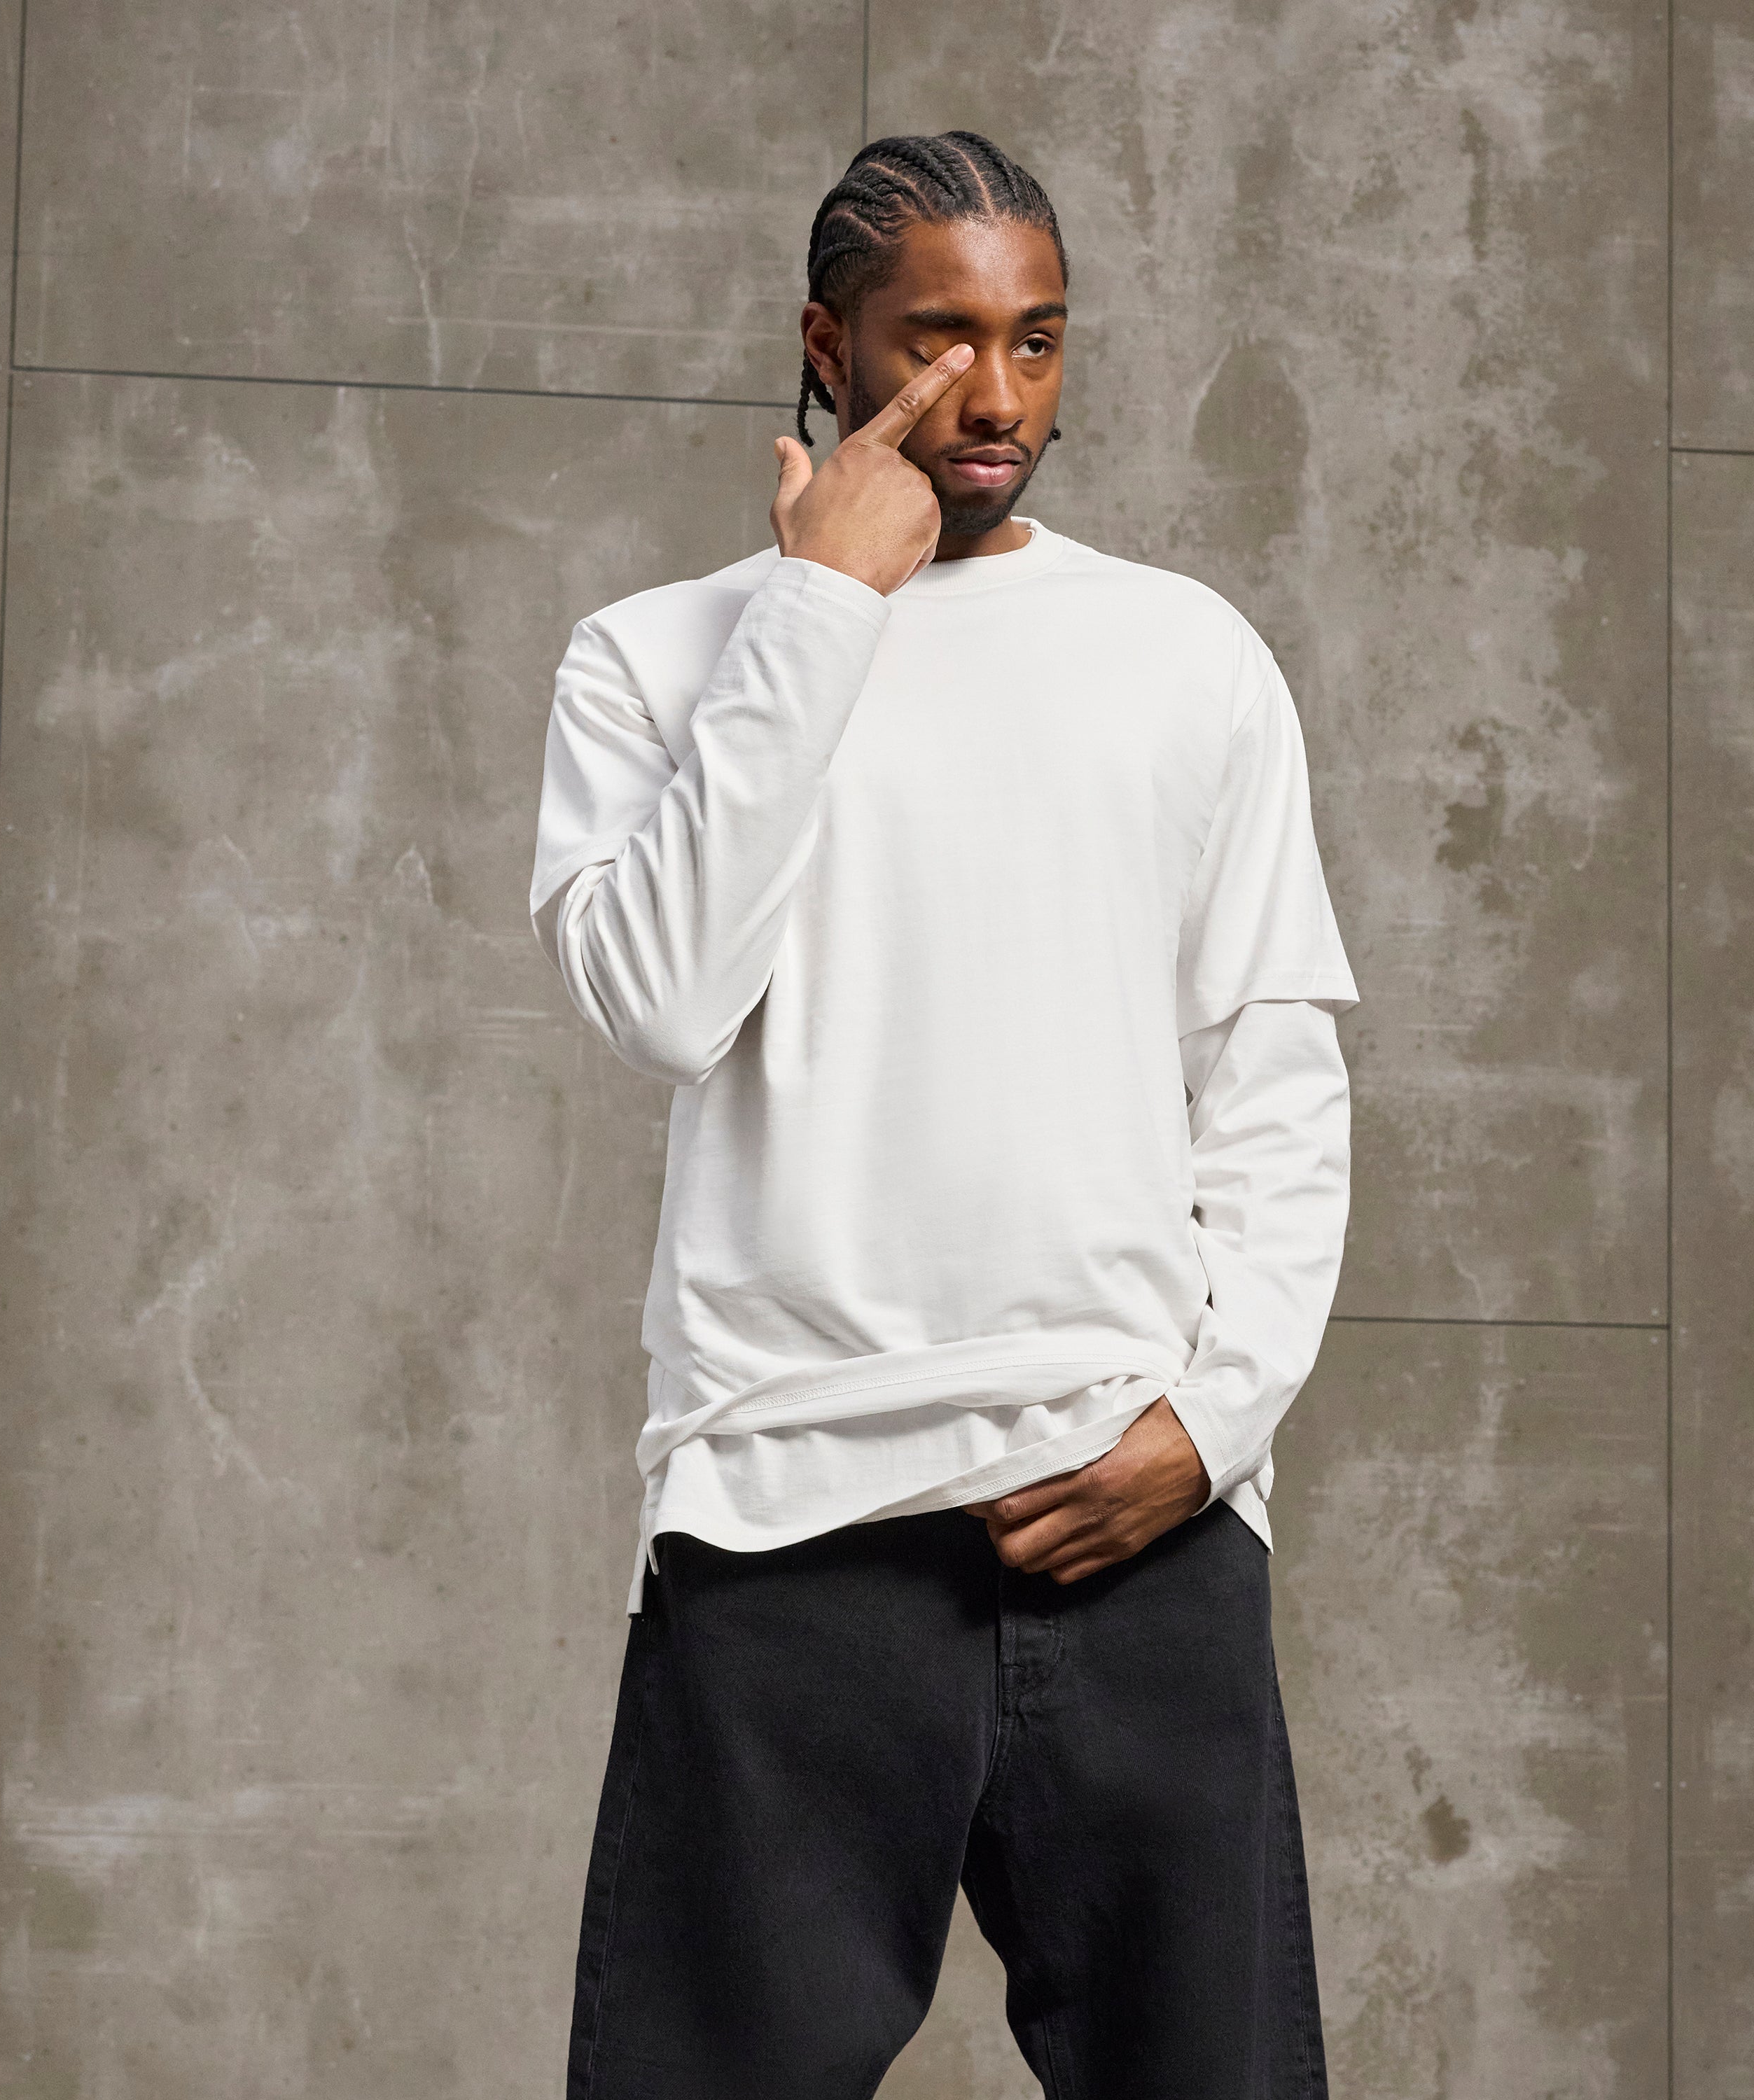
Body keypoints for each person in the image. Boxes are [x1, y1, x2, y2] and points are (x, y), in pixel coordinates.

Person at [529, 130, 1356, 2100]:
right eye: (940, 339)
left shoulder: (1187, 656)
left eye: (1037, 341)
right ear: (829, 346)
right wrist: (820, 606)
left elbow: (1271, 1079)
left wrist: (1211, 1427)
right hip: (787, 1522)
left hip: (1132, 1522)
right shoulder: (657, 657)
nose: (995, 397)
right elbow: (662, 999)